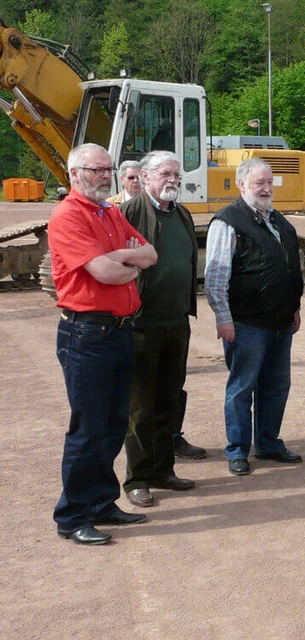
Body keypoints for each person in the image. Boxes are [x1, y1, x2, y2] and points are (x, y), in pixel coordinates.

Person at [48, 143, 158, 545]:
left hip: (119, 331)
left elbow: (150, 253)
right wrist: (124, 263)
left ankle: (101, 502)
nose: (105, 176)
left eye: (108, 169)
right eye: (97, 170)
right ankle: (72, 515)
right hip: (86, 334)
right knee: (88, 428)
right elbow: (104, 273)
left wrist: (122, 261)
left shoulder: (110, 211)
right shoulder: (68, 216)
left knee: (113, 424)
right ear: (75, 173)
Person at [205, 158, 304, 476]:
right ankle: (237, 449)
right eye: (259, 182)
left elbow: (290, 269)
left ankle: (268, 443)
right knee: (242, 387)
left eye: (269, 182)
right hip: (247, 323)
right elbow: (216, 276)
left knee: (277, 386)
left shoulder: (280, 222)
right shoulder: (228, 221)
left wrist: (295, 309)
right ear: (242, 185)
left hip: (280, 323)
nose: (265, 188)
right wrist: (223, 316)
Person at [119, 151, 198, 508]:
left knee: (170, 399)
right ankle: (138, 478)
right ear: (146, 176)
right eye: (166, 173)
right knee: (140, 406)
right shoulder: (131, 211)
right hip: (140, 325)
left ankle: (163, 470)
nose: (173, 180)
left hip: (176, 323)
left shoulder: (181, 213)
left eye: (176, 175)